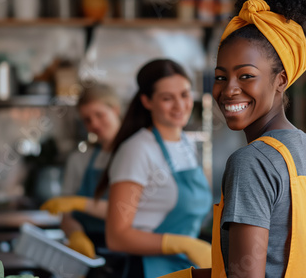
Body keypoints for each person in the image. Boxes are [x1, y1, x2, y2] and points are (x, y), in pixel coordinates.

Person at [163, 0, 306, 277]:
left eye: (246, 76)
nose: (229, 90)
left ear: (281, 80)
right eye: (221, 77)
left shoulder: (251, 162)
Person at [93, 59, 213, 278]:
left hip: (185, 268)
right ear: (147, 101)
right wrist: (182, 244)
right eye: (167, 98)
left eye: (185, 95)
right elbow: (116, 236)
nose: (179, 105)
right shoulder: (137, 150)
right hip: (147, 270)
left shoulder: (187, 145)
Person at [41, 85, 121, 259]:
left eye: (99, 115)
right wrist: (76, 235)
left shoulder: (133, 155)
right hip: (86, 254)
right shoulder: (79, 160)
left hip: (125, 251)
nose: (94, 124)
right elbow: (66, 216)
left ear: (115, 110)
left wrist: (79, 202)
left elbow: (127, 212)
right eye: (87, 120)